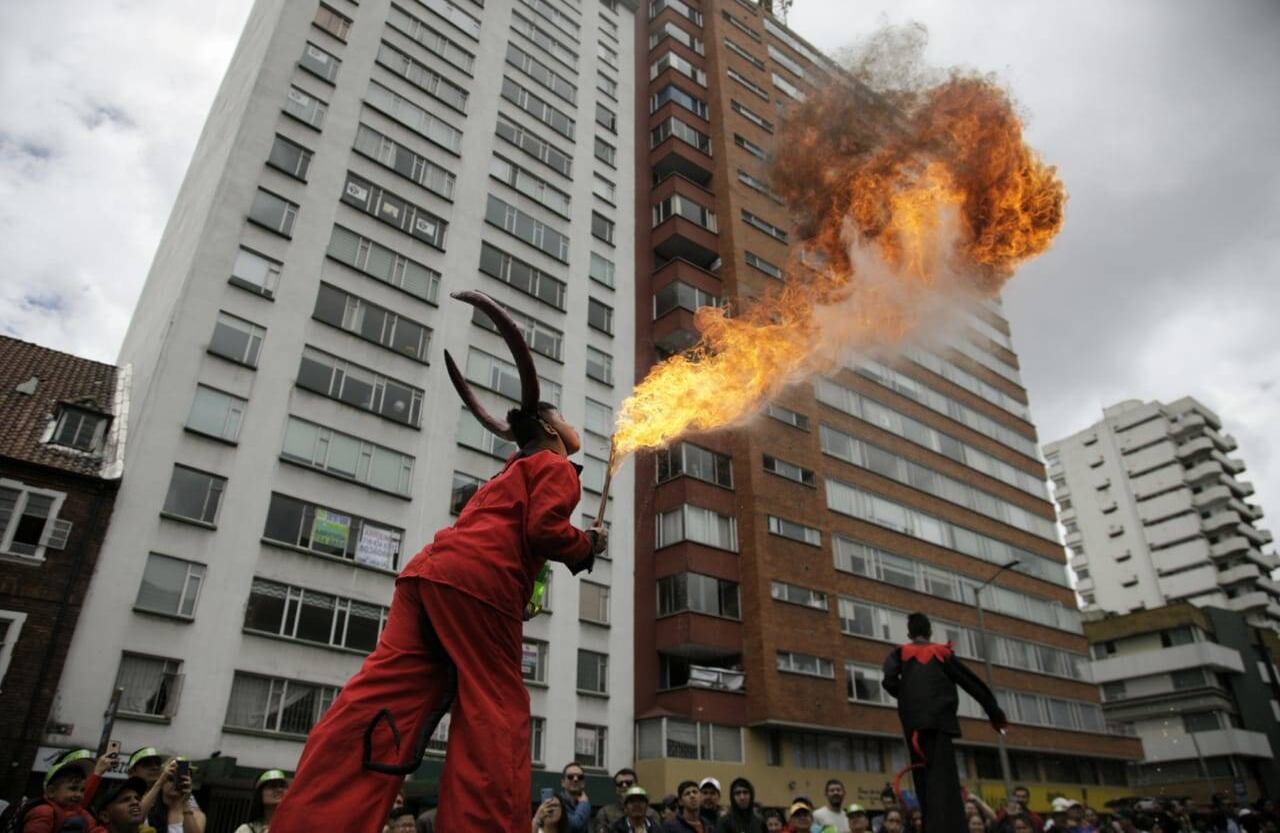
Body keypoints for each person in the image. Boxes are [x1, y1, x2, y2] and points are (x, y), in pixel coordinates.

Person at [269, 292, 607, 833]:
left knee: (382, 698)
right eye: (564, 419)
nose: (572, 428)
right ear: (548, 431)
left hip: (426, 575)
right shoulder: (555, 465)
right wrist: (585, 548)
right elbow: (544, 531)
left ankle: (315, 820)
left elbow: (516, 535)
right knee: (494, 711)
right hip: (478, 587)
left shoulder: (503, 475)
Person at [883, 613, 1006, 833]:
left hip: (914, 726)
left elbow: (889, 680)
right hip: (940, 725)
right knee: (945, 784)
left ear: (909, 632)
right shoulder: (942, 653)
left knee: (924, 783)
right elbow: (972, 684)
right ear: (929, 631)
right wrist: (995, 714)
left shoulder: (900, 653)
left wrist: (908, 696)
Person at [20, 748, 107, 833]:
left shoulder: (81, 812)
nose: (79, 794)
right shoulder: (44, 812)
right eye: (73, 788)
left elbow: (95, 829)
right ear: (51, 792)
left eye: (82, 790)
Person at [149, 758, 206, 833]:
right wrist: (158, 784)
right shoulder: (149, 810)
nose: (175, 783)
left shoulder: (197, 816)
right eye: (170, 778)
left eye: (180, 778)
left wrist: (185, 802)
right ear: (162, 780)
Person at [559, 762, 593, 833]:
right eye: (570, 777)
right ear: (562, 783)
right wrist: (583, 804)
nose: (575, 779)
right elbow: (574, 826)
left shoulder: (584, 805)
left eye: (580, 777)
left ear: (583, 783)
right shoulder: (556, 803)